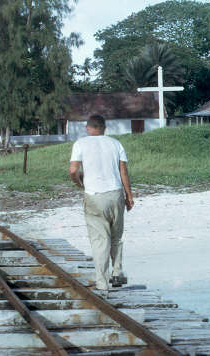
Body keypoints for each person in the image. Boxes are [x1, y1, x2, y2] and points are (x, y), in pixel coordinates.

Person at [68, 114, 134, 292]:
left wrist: (79, 183)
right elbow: (123, 172)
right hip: (115, 194)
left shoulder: (80, 144)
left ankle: (102, 282)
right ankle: (117, 272)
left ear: (88, 128)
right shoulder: (115, 144)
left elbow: (73, 170)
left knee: (100, 240)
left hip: (94, 196)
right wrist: (129, 196)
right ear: (104, 128)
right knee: (116, 237)